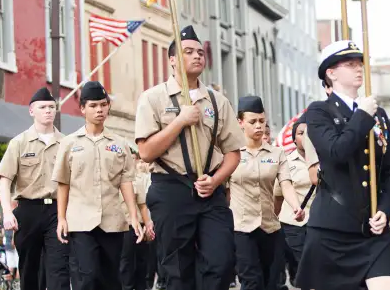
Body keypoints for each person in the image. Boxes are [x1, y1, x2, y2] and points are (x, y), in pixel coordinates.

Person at [135, 25, 245, 290]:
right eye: (188, 52)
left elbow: (233, 153)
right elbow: (146, 152)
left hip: (210, 191)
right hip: (171, 189)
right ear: (172, 59)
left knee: (221, 263)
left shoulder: (217, 101)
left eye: (200, 52)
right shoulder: (153, 98)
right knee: (177, 271)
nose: (197, 56)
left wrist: (215, 180)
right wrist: (180, 121)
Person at [295, 40, 390, 290]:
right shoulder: (319, 112)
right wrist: (362, 116)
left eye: (360, 64)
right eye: (350, 64)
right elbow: (336, 152)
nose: (358, 69)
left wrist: (385, 211)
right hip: (333, 231)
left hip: (372, 231)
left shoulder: (379, 114)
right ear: (331, 73)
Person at [52, 81, 145, 290]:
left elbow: (126, 181)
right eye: (93, 106)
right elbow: (63, 183)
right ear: (83, 108)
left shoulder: (120, 143)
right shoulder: (69, 143)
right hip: (81, 222)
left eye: (103, 105)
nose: (100, 110)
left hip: (112, 221)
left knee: (111, 279)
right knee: (87, 276)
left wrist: (133, 217)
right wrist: (61, 218)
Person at [0, 87, 71, 290]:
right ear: (31, 111)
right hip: (28, 210)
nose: (48, 111)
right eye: (43, 107)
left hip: (58, 211)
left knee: (59, 266)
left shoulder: (66, 143)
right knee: (30, 267)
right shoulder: (19, 143)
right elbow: (5, 180)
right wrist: (8, 212)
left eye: (51, 107)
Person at [230, 95, 305, 290]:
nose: (259, 126)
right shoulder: (230, 154)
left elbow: (286, 184)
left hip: (270, 228)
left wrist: (296, 206)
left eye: (262, 121)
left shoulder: (277, 154)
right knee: (251, 281)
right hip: (242, 228)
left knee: (272, 283)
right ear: (240, 122)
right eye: (252, 122)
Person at [273, 113, 315, 290]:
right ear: (294, 138)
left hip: (318, 222)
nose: (305, 136)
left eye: (309, 132)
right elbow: (278, 195)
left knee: (316, 267)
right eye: (300, 133)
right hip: (293, 223)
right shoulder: (286, 162)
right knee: (304, 267)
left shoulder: (324, 161)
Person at [120, 150, 155, 290]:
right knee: (126, 264)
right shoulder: (113, 178)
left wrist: (148, 224)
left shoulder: (137, 178)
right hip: (123, 226)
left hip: (138, 227)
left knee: (142, 264)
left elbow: (142, 205)